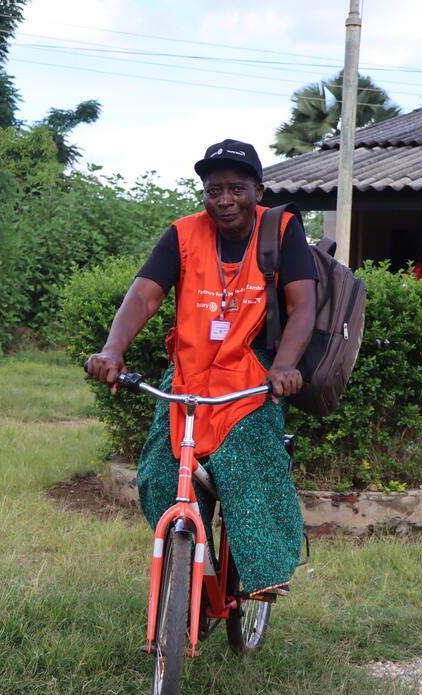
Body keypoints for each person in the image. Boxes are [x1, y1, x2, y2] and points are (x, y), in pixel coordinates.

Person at [85, 139, 317, 599]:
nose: (225, 200)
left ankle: (266, 573)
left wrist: (286, 365)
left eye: (236, 189)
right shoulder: (183, 233)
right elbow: (144, 294)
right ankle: (192, 565)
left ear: (258, 190)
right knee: (159, 471)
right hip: (190, 366)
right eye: (214, 191)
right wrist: (112, 350)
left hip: (252, 367)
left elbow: (303, 303)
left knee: (245, 458)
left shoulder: (281, 229)